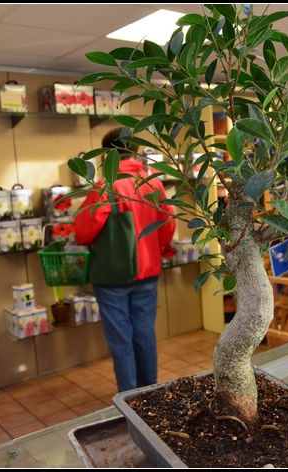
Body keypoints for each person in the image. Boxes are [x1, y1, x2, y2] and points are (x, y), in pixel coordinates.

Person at [74, 127, 176, 392]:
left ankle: (130, 397)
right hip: (148, 272)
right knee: (145, 334)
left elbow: (83, 232)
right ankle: (150, 394)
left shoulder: (105, 186)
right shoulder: (153, 183)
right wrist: (160, 250)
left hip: (113, 276)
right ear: (136, 150)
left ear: (106, 155)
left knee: (121, 341)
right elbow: (167, 223)